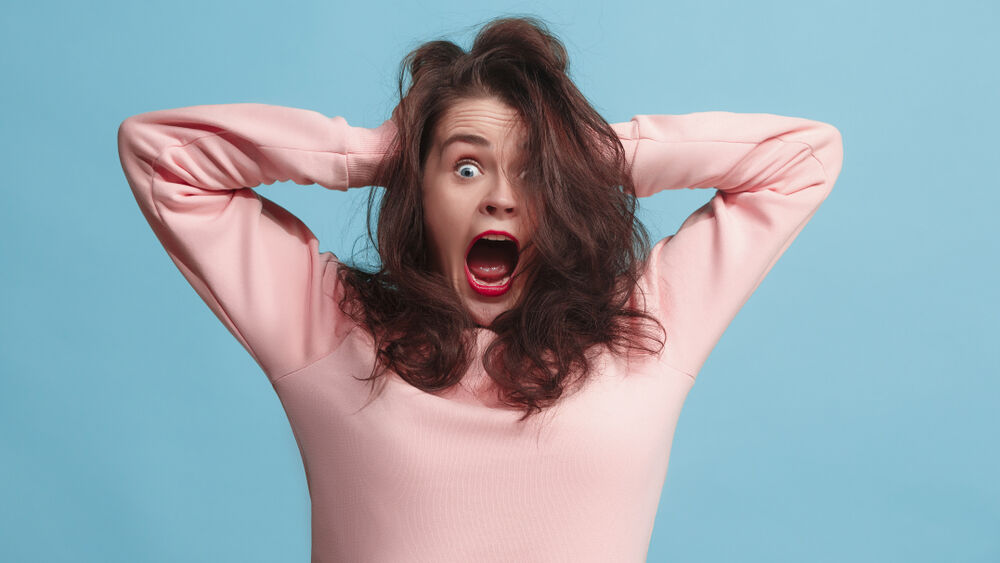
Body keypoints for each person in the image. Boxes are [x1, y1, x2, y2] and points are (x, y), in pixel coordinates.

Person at [117, 15, 843, 563]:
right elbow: (163, 156)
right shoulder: (328, 327)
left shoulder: (642, 330)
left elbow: (805, 157)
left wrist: (584, 150)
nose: (499, 197)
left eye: (531, 173)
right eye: (466, 168)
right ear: (419, 190)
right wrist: (373, 153)